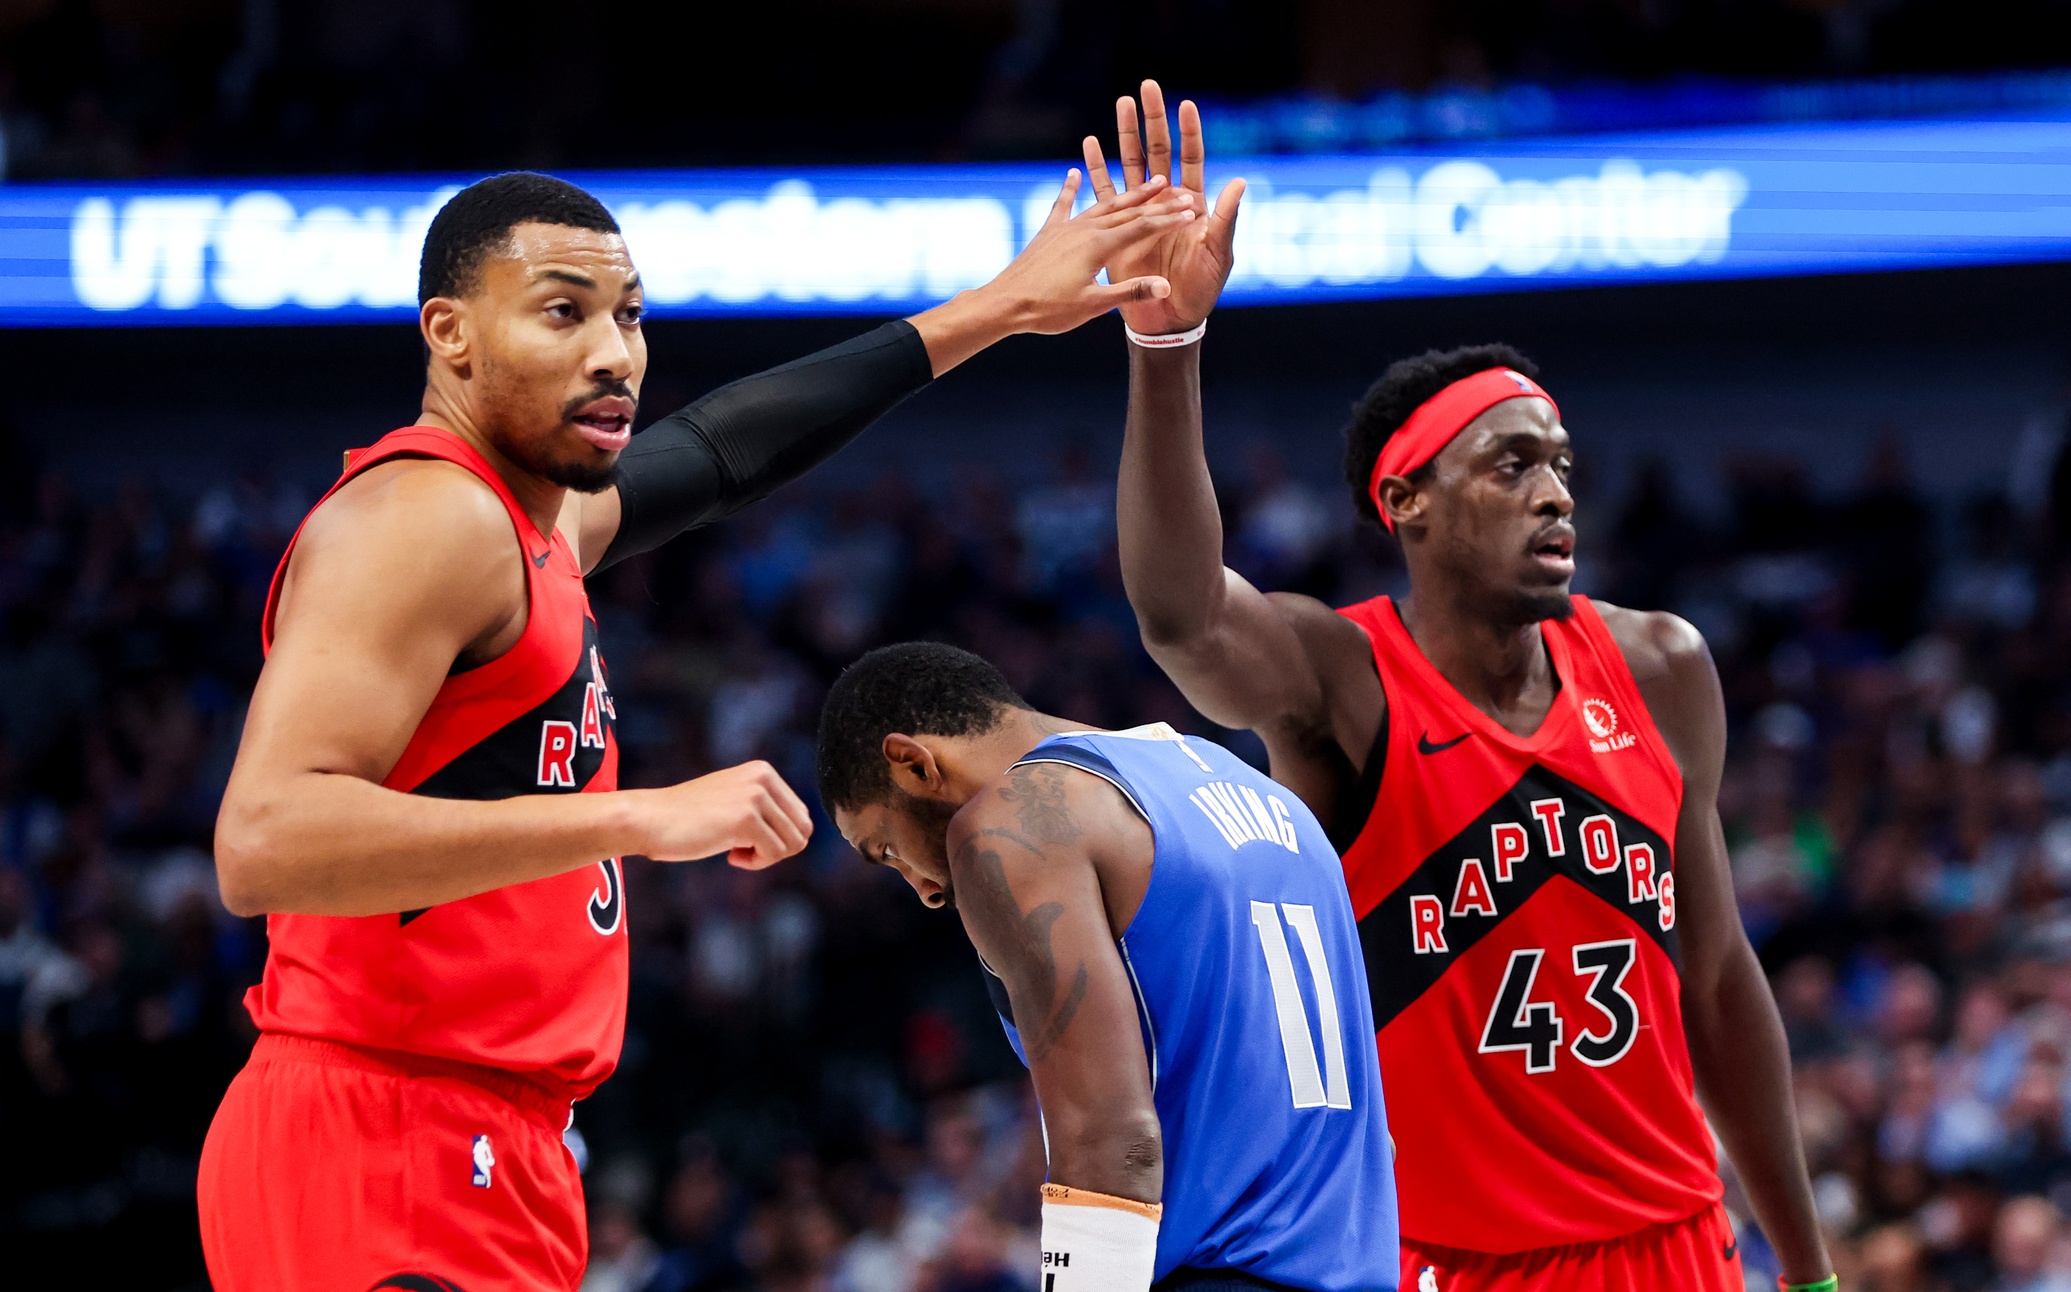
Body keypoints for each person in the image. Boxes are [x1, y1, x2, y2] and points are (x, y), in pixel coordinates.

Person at [198, 167, 1197, 1292]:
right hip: (388, 1133)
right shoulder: (425, 518)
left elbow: (726, 449)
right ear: (451, 334)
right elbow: (265, 837)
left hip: (481, 1134)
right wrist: (634, 814)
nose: (615, 352)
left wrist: (1000, 306)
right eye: (563, 310)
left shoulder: (528, 527)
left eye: (629, 315)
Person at [1095, 82, 1837, 1292]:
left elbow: (1714, 973)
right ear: (1406, 503)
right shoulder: (1342, 680)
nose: (1555, 492)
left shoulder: (1660, 663)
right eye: (1510, 463)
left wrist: (1805, 1267)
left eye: (1559, 463)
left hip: (1676, 1245)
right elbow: (1180, 613)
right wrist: (1165, 345)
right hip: (1454, 1260)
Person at [815, 642, 1400, 1292]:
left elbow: (1111, 1139)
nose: (920, 889)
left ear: (913, 763)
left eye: (886, 849)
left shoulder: (1013, 824)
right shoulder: (1266, 795)